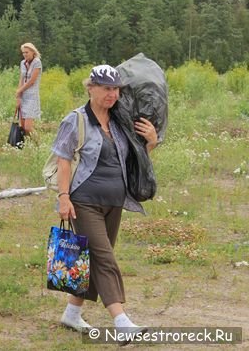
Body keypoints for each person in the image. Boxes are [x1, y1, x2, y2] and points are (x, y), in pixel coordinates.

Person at [51, 65, 158, 335]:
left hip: (115, 202)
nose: (113, 94)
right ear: (91, 88)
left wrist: (150, 143)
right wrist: (64, 197)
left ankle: (72, 313)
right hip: (84, 202)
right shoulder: (75, 120)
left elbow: (134, 160)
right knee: (104, 258)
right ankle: (121, 321)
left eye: (116, 89)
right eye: (107, 88)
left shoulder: (120, 122)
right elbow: (63, 160)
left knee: (93, 260)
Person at [16, 43, 43, 138]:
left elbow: (32, 81)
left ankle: (38, 142)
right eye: (23, 53)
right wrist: (18, 95)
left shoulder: (37, 62)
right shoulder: (23, 63)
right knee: (22, 126)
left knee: (28, 127)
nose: (25, 54)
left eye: (27, 52)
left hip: (32, 96)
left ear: (32, 52)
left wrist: (20, 90)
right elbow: (21, 79)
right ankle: (28, 145)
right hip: (23, 96)